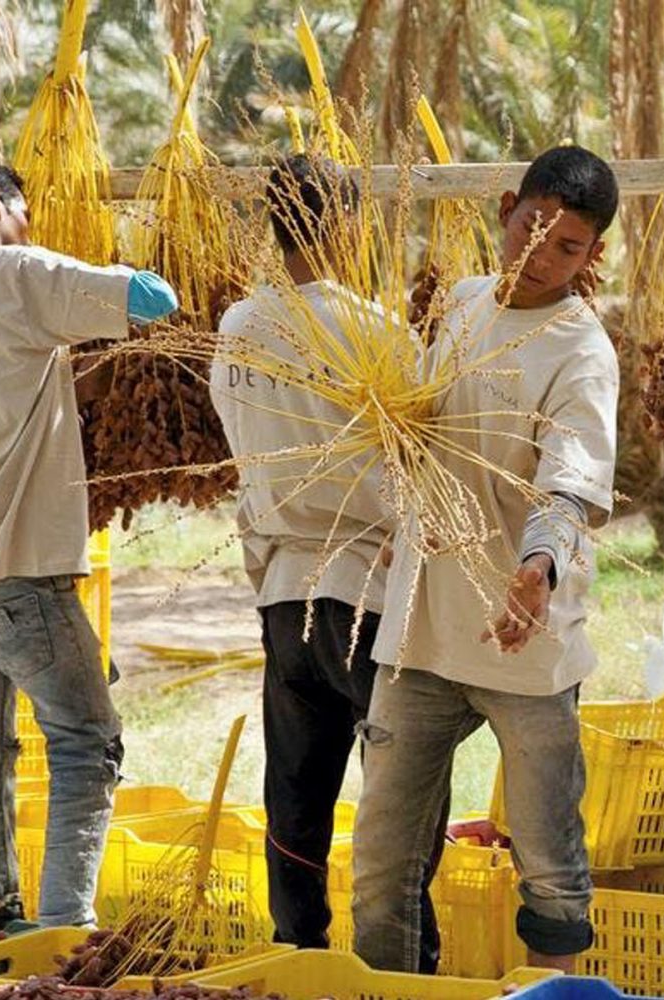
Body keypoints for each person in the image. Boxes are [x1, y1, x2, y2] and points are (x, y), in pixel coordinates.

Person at [352, 144, 620, 973]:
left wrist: (535, 572)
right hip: (421, 629)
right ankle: (389, 990)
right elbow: (421, 426)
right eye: (533, 229)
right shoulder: (462, 304)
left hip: (524, 637)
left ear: (594, 256)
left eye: (568, 247)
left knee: (548, 859)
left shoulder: (582, 351)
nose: (542, 255)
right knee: (380, 860)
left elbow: (569, 486)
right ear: (506, 208)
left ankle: (558, 992)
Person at [0, 152, 178, 929]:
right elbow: (154, 298)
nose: (29, 222)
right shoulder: (15, 271)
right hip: (12, 561)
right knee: (88, 740)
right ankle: (62, 940)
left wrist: (78, 375)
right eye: (22, 207)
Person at [210, 153, 443, 960]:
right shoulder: (377, 333)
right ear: (347, 227)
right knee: (402, 802)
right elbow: (423, 470)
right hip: (368, 594)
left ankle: (297, 953)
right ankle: (405, 964)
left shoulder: (238, 328)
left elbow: (243, 459)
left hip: (283, 590)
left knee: (296, 800)